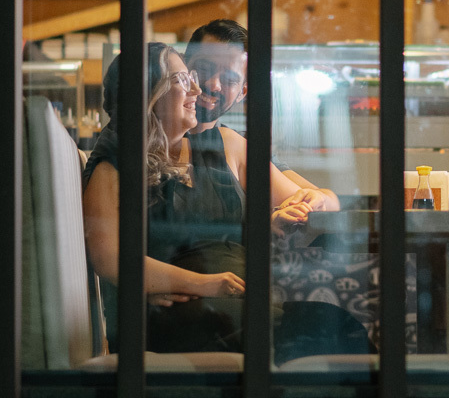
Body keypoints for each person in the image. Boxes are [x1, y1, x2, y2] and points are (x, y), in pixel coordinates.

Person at [83, 43, 372, 359]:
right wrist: (203, 285)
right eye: (183, 80)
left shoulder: (223, 145)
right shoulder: (113, 168)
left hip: (236, 301)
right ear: (149, 94)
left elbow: (321, 200)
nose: (198, 89)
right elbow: (110, 259)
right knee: (306, 336)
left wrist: (303, 206)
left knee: (340, 325)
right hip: (177, 314)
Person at [184, 19, 339, 212]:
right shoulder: (151, 136)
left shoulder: (242, 144)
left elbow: (330, 201)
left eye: (229, 80)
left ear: (242, 92)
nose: (214, 84)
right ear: (182, 67)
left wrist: (317, 199)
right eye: (204, 69)